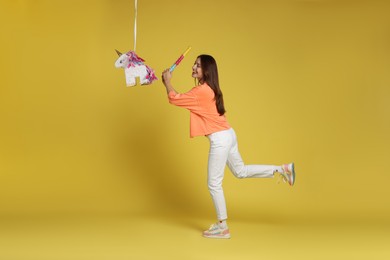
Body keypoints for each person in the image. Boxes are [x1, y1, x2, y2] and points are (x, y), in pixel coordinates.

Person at [161, 54, 295, 239]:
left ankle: (222, 227)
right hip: (229, 134)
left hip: (221, 139)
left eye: (198, 65)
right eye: (194, 63)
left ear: (206, 70)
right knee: (240, 172)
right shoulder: (209, 89)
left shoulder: (201, 91)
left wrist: (167, 81)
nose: (193, 67)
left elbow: (174, 98)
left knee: (213, 183)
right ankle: (282, 169)